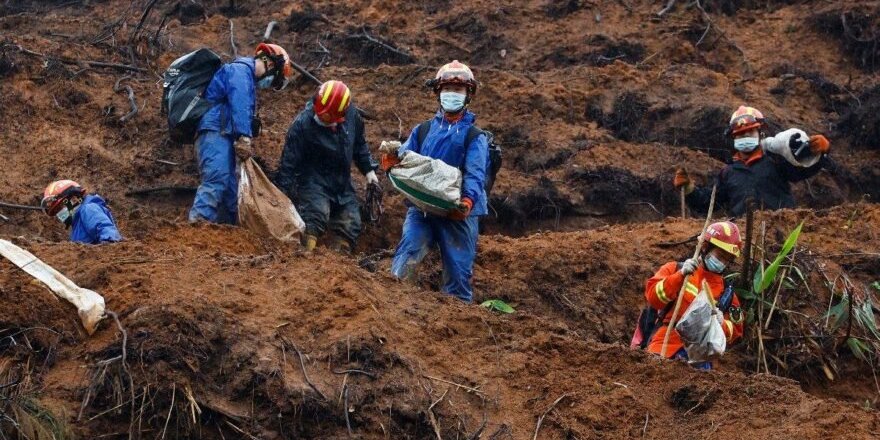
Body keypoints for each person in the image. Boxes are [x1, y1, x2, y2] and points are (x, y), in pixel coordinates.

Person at [383, 60, 489, 303]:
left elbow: (476, 174)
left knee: (458, 272)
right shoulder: (423, 130)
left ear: (468, 95)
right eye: (447, 89)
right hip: (423, 210)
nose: (452, 94)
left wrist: (467, 202)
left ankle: (457, 322)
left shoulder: (474, 137)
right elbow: (406, 160)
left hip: (457, 213)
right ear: (438, 93)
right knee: (407, 255)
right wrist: (392, 161)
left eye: (458, 90)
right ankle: (396, 307)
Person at [189, 43, 293, 224]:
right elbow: (240, 104)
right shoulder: (240, 71)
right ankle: (197, 227)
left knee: (231, 193)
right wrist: (244, 136)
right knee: (217, 180)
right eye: (274, 80)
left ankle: (226, 235)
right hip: (215, 132)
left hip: (225, 135)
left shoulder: (247, 79)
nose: (269, 85)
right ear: (270, 65)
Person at [274, 80, 378, 254]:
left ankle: (338, 262)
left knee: (351, 222)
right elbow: (288, 165)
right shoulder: (302, 125)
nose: (321, 118)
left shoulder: (351, 115)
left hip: (342, 183)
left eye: (327, 117)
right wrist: (279, 199)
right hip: (313, 180)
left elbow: (359, 144)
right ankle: (305, 256)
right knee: (315, 215)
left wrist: (369, 170)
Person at [674, 106, 831, 217]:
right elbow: (709, 203)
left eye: (750, 132)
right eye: (741, 134)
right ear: (734, 138)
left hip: (780, 231)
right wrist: (689, 189)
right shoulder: (728, 172)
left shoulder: (775, 161)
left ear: (759, 133)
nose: (745, 137)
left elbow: (801, 170)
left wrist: (819, 153)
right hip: (745, 237)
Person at [644, 221, 744, 369]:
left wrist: (721, 323)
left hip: (699, 359)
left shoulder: (727, 293)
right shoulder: (674, 269)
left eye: (727, 259)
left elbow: (736, 332)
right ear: (704, 247)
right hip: (664, 348)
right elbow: (653, 298)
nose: (722, 263)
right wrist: (679, 277)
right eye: (720, 256)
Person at [40, 180, 122, 244]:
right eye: (56, 211)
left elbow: (107, 232)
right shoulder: (76, 226)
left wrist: (109, 243)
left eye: (60, 207)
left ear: (74, 198)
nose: (59, 214)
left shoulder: (88, 209)